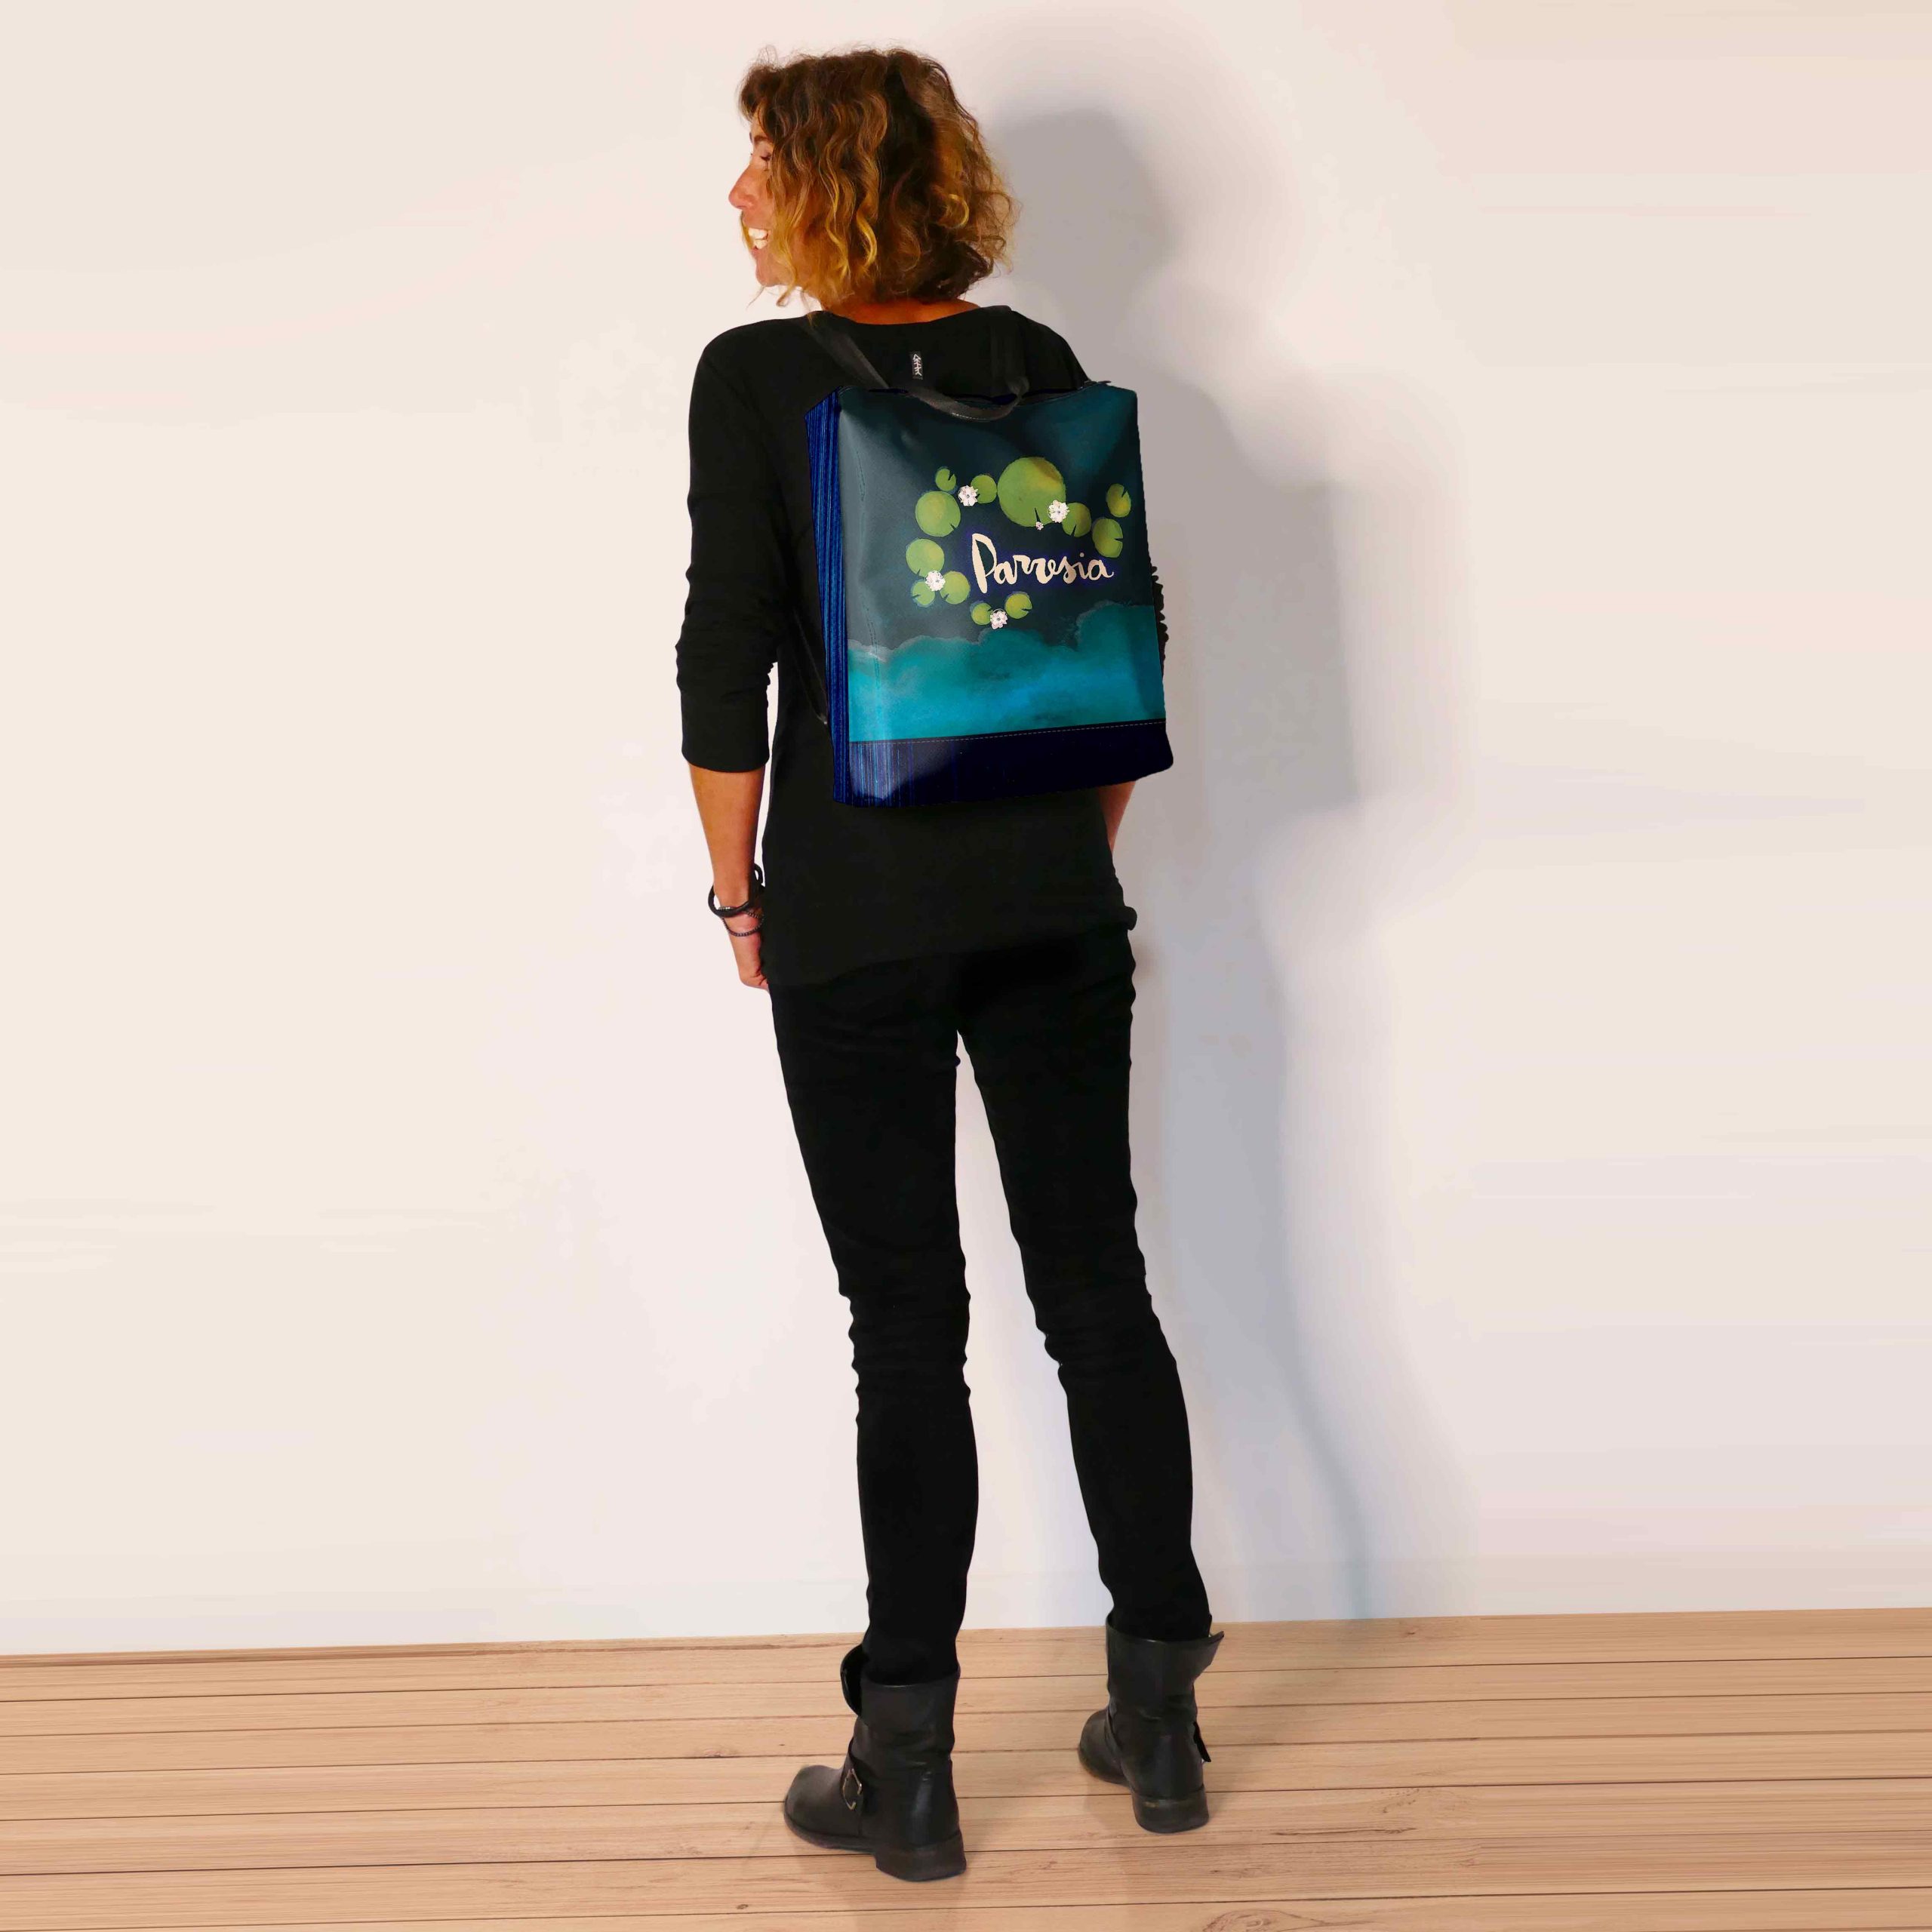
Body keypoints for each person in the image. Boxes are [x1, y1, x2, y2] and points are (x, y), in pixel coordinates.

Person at [675, 46, 1223, 1884]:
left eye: (760, 165)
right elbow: (1120, 637)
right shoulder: (1034, 361)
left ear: (828, 182)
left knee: (904, 1324)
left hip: (854, 909)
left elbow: (725, 648)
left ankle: (903, 1763)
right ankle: (1160, 1711)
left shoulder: (752, 378)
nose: (737, 197)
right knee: (1098, 1290)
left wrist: (737, 892)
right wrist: (1071, 858)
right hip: (1050, 901)